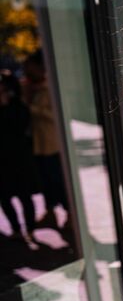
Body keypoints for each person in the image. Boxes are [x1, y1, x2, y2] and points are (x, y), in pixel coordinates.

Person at [22, 50, 69, 229]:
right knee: (45, 182)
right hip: (37, 144)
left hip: (50, 143)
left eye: (30, 68)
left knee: (57, 180)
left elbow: (55, 115)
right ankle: (51, 214)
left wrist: (32, 107)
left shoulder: (49, 88)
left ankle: (69, 215)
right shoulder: (31, 88)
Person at [0, 72, 38, 250]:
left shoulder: (18, 106)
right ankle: (16, 229)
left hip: (19, 158)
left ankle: (30, 229)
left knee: (25, 196)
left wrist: (6, 105)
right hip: (3, 161)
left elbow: (21, 127)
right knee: (4, 197)